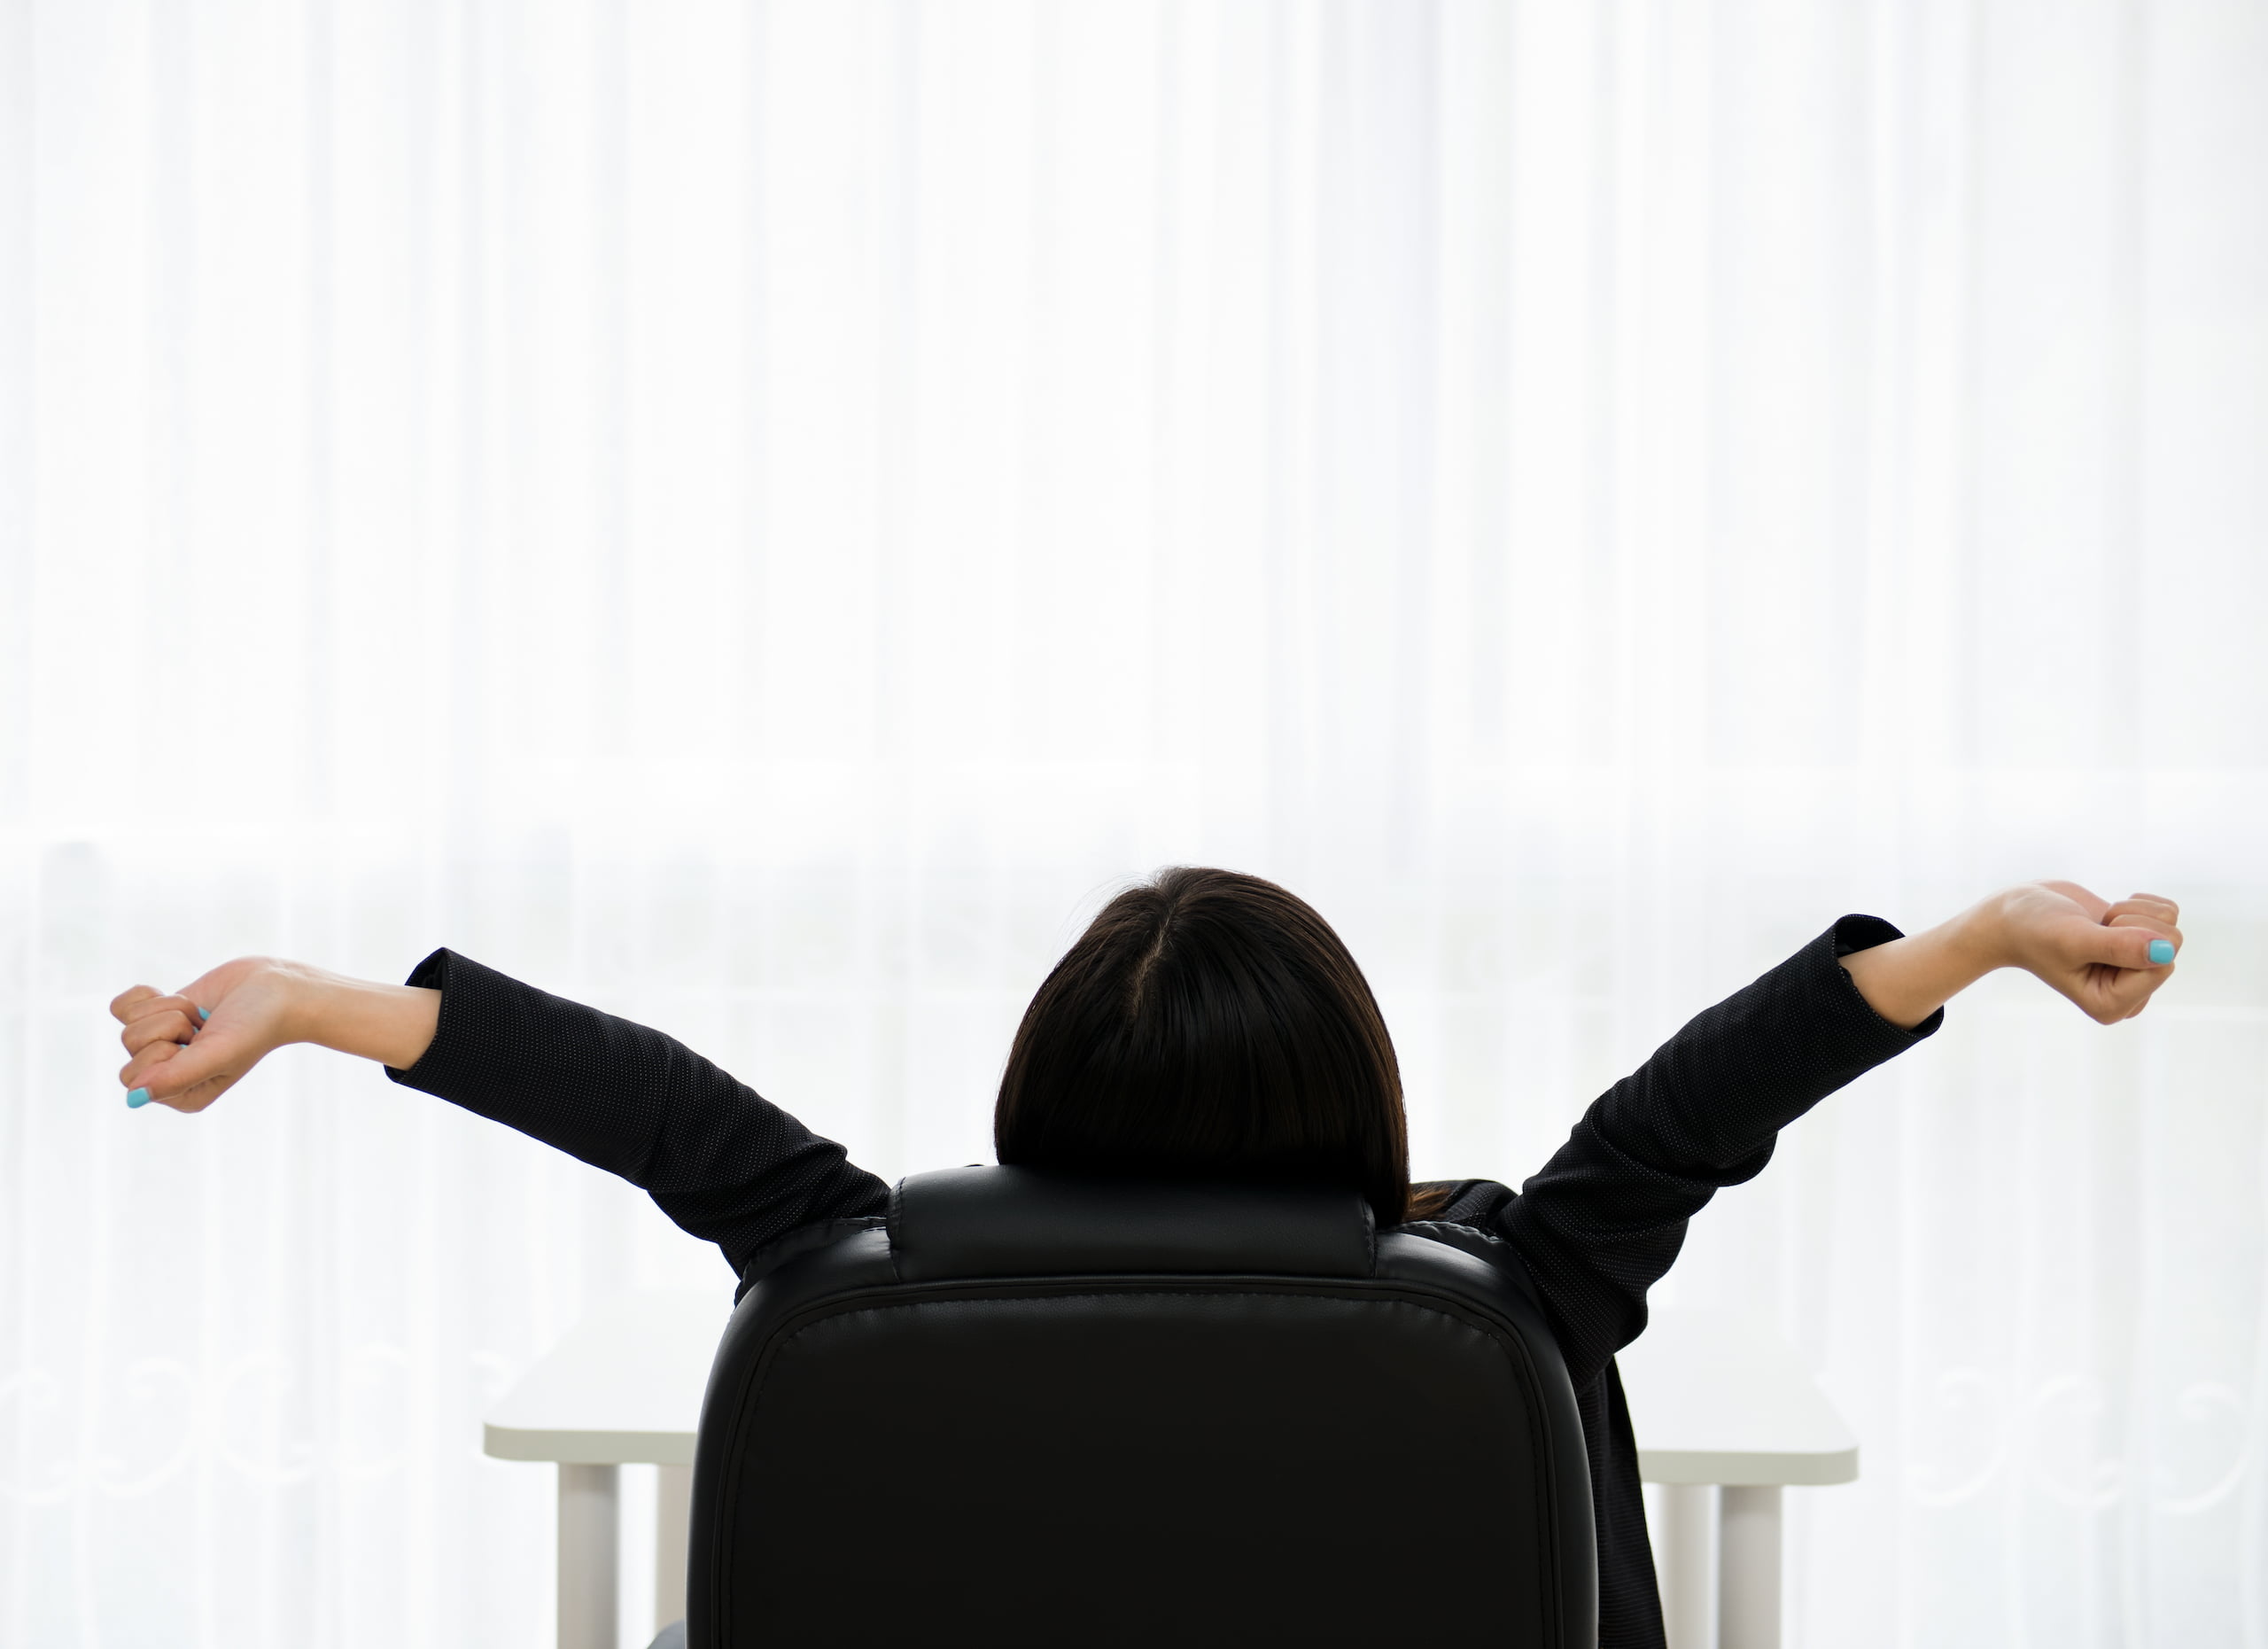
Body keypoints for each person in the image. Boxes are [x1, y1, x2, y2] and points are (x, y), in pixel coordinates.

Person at [108, 868, 2182, 1649]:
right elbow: (1710, 1093)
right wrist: (1995, 936)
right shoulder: (1509, 1294)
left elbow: (630, 1095)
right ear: (1353, 1099)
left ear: (1036, 1101)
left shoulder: (851, 1270)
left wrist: (295, 998)